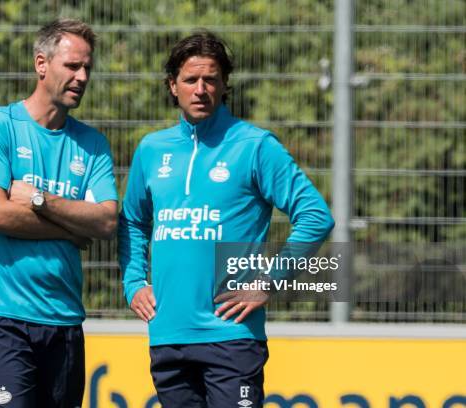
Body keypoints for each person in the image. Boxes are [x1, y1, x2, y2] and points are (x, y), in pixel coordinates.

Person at [118, 31, 334, 407]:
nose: (200, 89)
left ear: (223, 85)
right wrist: (134, 280)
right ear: (173, 86)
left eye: (210, 79)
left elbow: (316, 216)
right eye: (190, 80)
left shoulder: (254, 145)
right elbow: (133, 221)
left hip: (231, 336)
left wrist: (270, 280)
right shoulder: (152, 149)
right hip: (168, 334)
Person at [0, 19, 118, 408]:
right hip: (0, 317)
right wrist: (69, 229)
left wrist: (39, 200)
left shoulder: (93, 144)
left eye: (87, 68)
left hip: (64, 320)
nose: (82, 77)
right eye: (72, 66)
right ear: (41, 64)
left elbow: (106, 221)